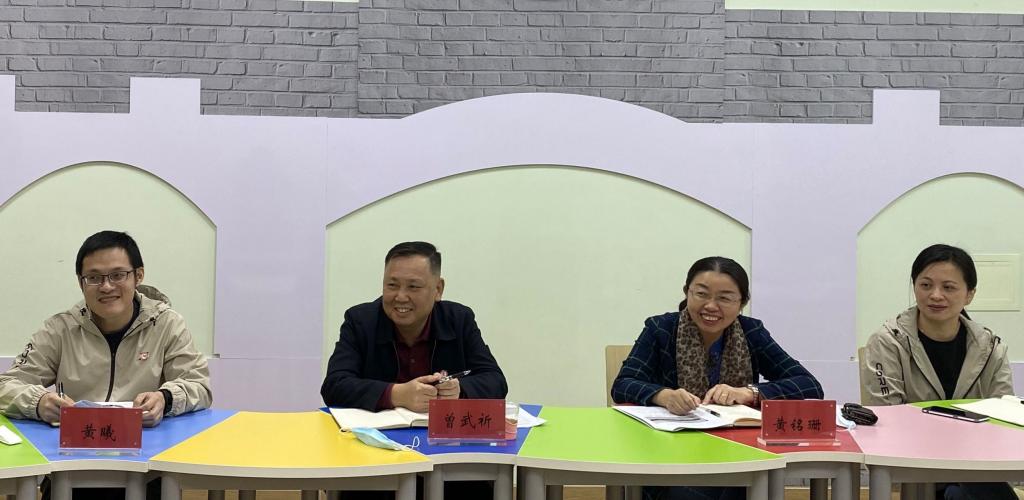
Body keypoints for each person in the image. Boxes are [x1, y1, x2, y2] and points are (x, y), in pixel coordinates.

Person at [0, 230, 212, 499]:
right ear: (81, 282)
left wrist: (165, 399)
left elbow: (199, 386)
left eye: (117, 275)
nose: (107, 286)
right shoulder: (60, 329)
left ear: (138, 275)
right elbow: (6, 385)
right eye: (94, 277)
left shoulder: (167, 325)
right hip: (71, 469)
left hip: (146, 471)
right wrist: (39, 402)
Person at [612, 256, 823, 500]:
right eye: (701, 294)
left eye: (724, 298)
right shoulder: (661, 329)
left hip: (738, 449)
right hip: (669, 452)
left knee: (745, 482)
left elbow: (810, 385)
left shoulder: (752, 332)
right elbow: (623, 384)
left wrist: (749, 393)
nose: (711, 306)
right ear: (687, 292)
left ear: (742, 302)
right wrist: (664, 396)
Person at [321, 241, 507, 500]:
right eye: (392, 285)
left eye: (413, 287)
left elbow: (496, 381)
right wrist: (396, 394)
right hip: (376, 456)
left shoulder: (459, 319)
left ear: (438, 289)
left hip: (448, 454)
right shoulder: (360, 321)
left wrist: (459, 391)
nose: (400, 297)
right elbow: (334, 385)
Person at [862, 244, 1015, 500]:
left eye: (948, 287)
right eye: (925, 285)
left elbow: (1004, 419)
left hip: (975, 465)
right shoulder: (888, 342)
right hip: (915, 466)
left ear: (969, 294)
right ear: (914, 287)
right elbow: (886, 419)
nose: (935, 295)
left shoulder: (990, 347)